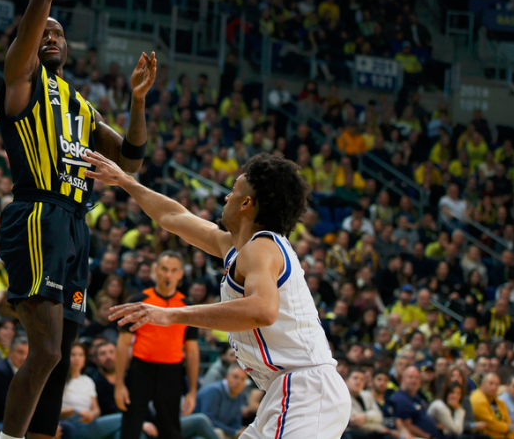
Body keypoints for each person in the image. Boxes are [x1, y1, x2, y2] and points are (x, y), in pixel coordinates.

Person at [0, 0, 153, 439]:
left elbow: (131, 160)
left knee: (60, 355)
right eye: (44, 32)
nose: (52, 35)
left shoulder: (80, 106)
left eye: (60, 33)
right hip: (36, 214)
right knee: (43, 348)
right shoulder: (21, 80)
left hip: (75, 224)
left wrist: (137, 102)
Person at [86, 151, 351, 439]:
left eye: (232, 192)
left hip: (305, 389)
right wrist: (126, 181)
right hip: (288, 390)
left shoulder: (261, 248)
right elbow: (173, 216)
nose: (226, 198)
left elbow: (262, 310)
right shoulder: (237, 247)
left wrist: (172, 314)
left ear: (247, 203)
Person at [114, 251, 199, 439]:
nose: (168, 274)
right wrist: (119, 383)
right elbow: (122, 344)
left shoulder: (187, 307)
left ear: (180, 274)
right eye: (164, 269)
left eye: (173, 270)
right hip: (140, 370)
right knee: (130, 427)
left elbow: (192, 351)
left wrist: (192, 391)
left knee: (171, 430)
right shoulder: (140, 301)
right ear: (155, 270)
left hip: (172, 373)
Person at [60, 341, 123, 439]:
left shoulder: (88, 381)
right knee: (126, 419)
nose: (77, 358)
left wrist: (91, 414)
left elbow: (96, 409)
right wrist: (75, 410)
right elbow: (51, 409)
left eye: (81, 355)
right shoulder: (59, 381)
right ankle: (142, 424)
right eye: (73, 355)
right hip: (69, 422)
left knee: (120, 432)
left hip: (89, 422)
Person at [195, 365, 249, 439]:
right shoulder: (214, 391)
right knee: (218, 433)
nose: (238, 382)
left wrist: (239, 431)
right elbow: (207, 420)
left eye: (242, 379)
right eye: (235, 377)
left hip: (222, 432)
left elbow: (236, 423)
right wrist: (234, 432)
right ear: (227, 377)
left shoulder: (240, 396)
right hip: (196, 431)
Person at [0, 338, 29, 424]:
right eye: (20, 352)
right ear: (9, 352)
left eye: (27, 353)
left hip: (19, 418)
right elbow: (2, 407)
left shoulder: (27, 371)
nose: (24, 357)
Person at [471, 372, 513, 439]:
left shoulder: (501, 403)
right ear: (482, 384)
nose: (494, 387)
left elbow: (510, 425)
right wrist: (508, 428)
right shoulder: (477, 399)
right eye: (491, 383)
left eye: (497, 385)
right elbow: (490, 423)